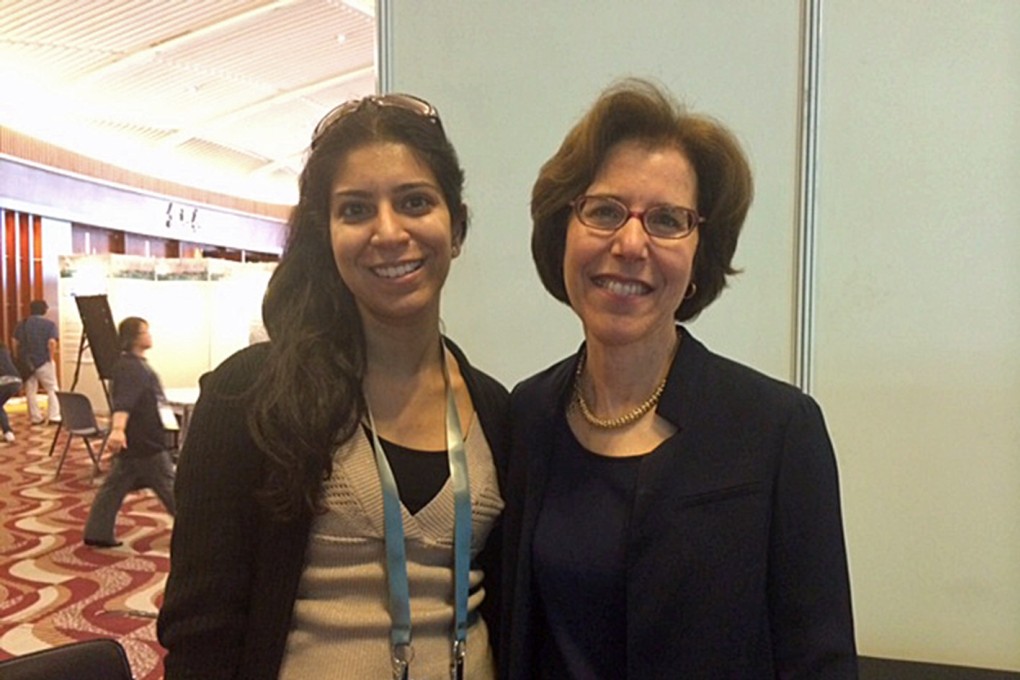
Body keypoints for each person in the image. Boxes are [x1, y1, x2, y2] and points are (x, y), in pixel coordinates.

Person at [501, 79, 857, 678]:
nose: (630, 243)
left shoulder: (775, 430)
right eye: (604, 211)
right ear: (563, 232)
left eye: (667, 220)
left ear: (698, 257)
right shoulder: (526, 415)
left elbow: (820, 662)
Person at [157, 93, 509, 680]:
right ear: (328, 234)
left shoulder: (496, 411)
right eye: (356, 210)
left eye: (415, 202)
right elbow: (201, 637)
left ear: (457, 226)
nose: (388, 231)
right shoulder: (251, 397)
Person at [83, 317, 176, 548]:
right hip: (144, 441)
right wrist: (118, 430)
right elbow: (124, 403)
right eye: (145, 332)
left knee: (114, 488)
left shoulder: (130, 365)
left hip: (136, 441)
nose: (149, 335)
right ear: (134, 338)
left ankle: (97, 532)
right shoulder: (131, 368)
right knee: (171, 488)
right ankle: (196, 530)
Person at [12, 299, 61, 425]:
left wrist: (18, 358)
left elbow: (15, 342)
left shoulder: (21, 324)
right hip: (43, 361)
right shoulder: (49, 325)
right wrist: (50, 358)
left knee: (30, 390)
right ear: (44, 310)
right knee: (52, 388)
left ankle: (35, 417)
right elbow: (51, 342)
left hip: (26, 363)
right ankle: (54, 416)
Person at [0, 342, 23, 442]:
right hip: (16, 380)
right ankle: (8, 432)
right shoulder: (4, 350)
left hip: (3, 381)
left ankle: (8, 431)